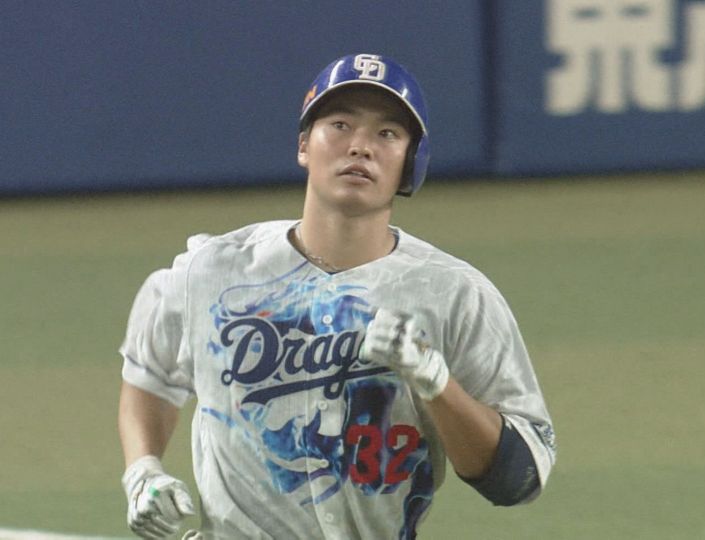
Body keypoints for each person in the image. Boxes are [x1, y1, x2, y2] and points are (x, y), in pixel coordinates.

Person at [118, 53, 557, 540]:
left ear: (411, 163)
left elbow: (518, 478)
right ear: (304, 145)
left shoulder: (453, 294)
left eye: (387, 133)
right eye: (340, 125)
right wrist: (143, 470)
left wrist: (437, 383)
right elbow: (150, 375)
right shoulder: (211, 270)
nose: (360, 147)